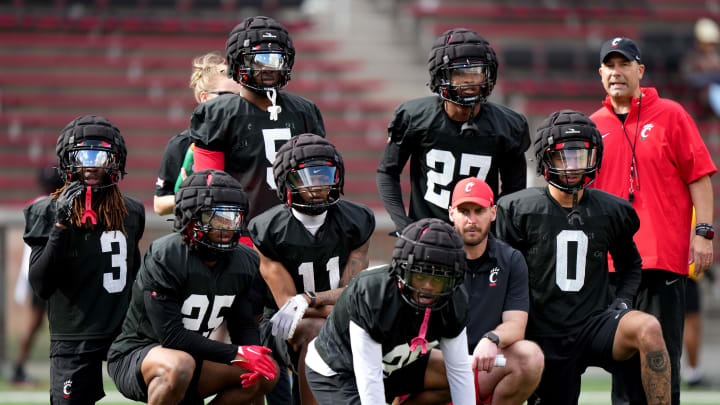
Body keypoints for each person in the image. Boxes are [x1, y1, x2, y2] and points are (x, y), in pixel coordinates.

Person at [496, 110, 671, 405]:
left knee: (648, 328)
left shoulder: (611, 210)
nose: (573, 166)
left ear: (595, 158)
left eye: (582, 156)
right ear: (545, 159)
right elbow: (502, 274)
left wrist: (624, 300)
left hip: (595, 324)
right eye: (564, 157)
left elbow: (630, 265)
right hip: (544, 333)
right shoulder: (517, 210)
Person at [591, 37, 717, 405]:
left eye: (624, 64)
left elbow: (699, 177)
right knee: (622, 365)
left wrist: (704, 234)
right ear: (601, 74)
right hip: (614, 266)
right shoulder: (592, 126)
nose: (616, 72)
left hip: (664, 260)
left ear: (640, 71)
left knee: (664, 361)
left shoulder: (672, 115)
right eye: (609, 66)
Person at [107, 169, 278, 404]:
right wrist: (238, 354)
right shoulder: (167, 255)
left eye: (232, 218)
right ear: (190, 219)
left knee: (267, 373)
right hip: (140, 355)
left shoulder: (244, 260)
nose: (226, 227)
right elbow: (171, 336)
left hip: (195, 356)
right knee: (180, 364)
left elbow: (242, 324)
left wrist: (253, 355)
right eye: (216, 218)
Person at [23, 115, 146, 404]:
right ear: (68, 160)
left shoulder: (131, 212)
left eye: (100, 157)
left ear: (115, 162)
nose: (91, 164)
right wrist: (60, 226)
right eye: (82, 156)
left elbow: (135, 274)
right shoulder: (47, 211)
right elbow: (41, 284)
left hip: (124, 335)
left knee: (173, 379)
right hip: (73, 337)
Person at [248, 134, 375, 404]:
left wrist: (309, 298)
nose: (317, 186)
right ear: (286, 182)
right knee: (316, 330)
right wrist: (322, 305)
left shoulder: (357, 221)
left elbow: (351, 297)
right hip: (280, 327)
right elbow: (289, 310)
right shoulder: (268, 229)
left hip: (334, 317)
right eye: (306, 178)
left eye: (324, 176)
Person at [305, 218, 475, 405]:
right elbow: (369, 376)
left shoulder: (454, 301)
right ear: (401, 270)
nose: (426, 288)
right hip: (341, 370)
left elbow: (459, 373)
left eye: (437, 280)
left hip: (392, 364)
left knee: (452, 376)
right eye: (419, 275)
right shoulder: (373, 295)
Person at [377, 27, 530, 233]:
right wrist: (404, 225)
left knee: (504, 265)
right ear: (440, 77)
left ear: (488, 75)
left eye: (475, 72)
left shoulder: (507, 126)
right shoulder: (415, 118)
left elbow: (514, 191)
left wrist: (491, 228)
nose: (468, 81)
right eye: (458, 73)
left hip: (480, 241)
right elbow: (387, 172)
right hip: (427, 237)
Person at [190, 15, 326, 222]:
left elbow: (317, 179)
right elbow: (210, 190)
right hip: (240, 234)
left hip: (294, 232)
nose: (269, 68)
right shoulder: (217, 114)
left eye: (276, 59)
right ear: (238, 61)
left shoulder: (305, 111)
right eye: (260, 59)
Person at [448, 176, 544, 404]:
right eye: (464, 211)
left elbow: (516, 325)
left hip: (484, 365)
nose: (471, 220)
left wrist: (491, 339)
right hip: (441, 365)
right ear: (452, 214)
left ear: (493, 212)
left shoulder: (510, 259)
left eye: (479, 211)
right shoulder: (435, 255)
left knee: (529, 357)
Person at [154, 51, 244, 215]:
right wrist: (190, 194)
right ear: (205, 98)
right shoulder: (182, 143)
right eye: (229, 97)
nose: (236, 104)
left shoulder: (250, 137)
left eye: (241, 97)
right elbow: (159, 205)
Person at [11, 164, 64, 384]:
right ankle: (18, 369)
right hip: (42, 270)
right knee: (41, 324)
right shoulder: (51, 205)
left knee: (39, 324)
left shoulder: (37, 204)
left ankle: (19, 368)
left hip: (34, 270)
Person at [682, 18, 720, 119]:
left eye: (713, 44)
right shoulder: (692, 57)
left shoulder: (716, 56)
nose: (711, 46)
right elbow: (690, 78)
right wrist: (711, 75)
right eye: (709, 43)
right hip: (703, 94)